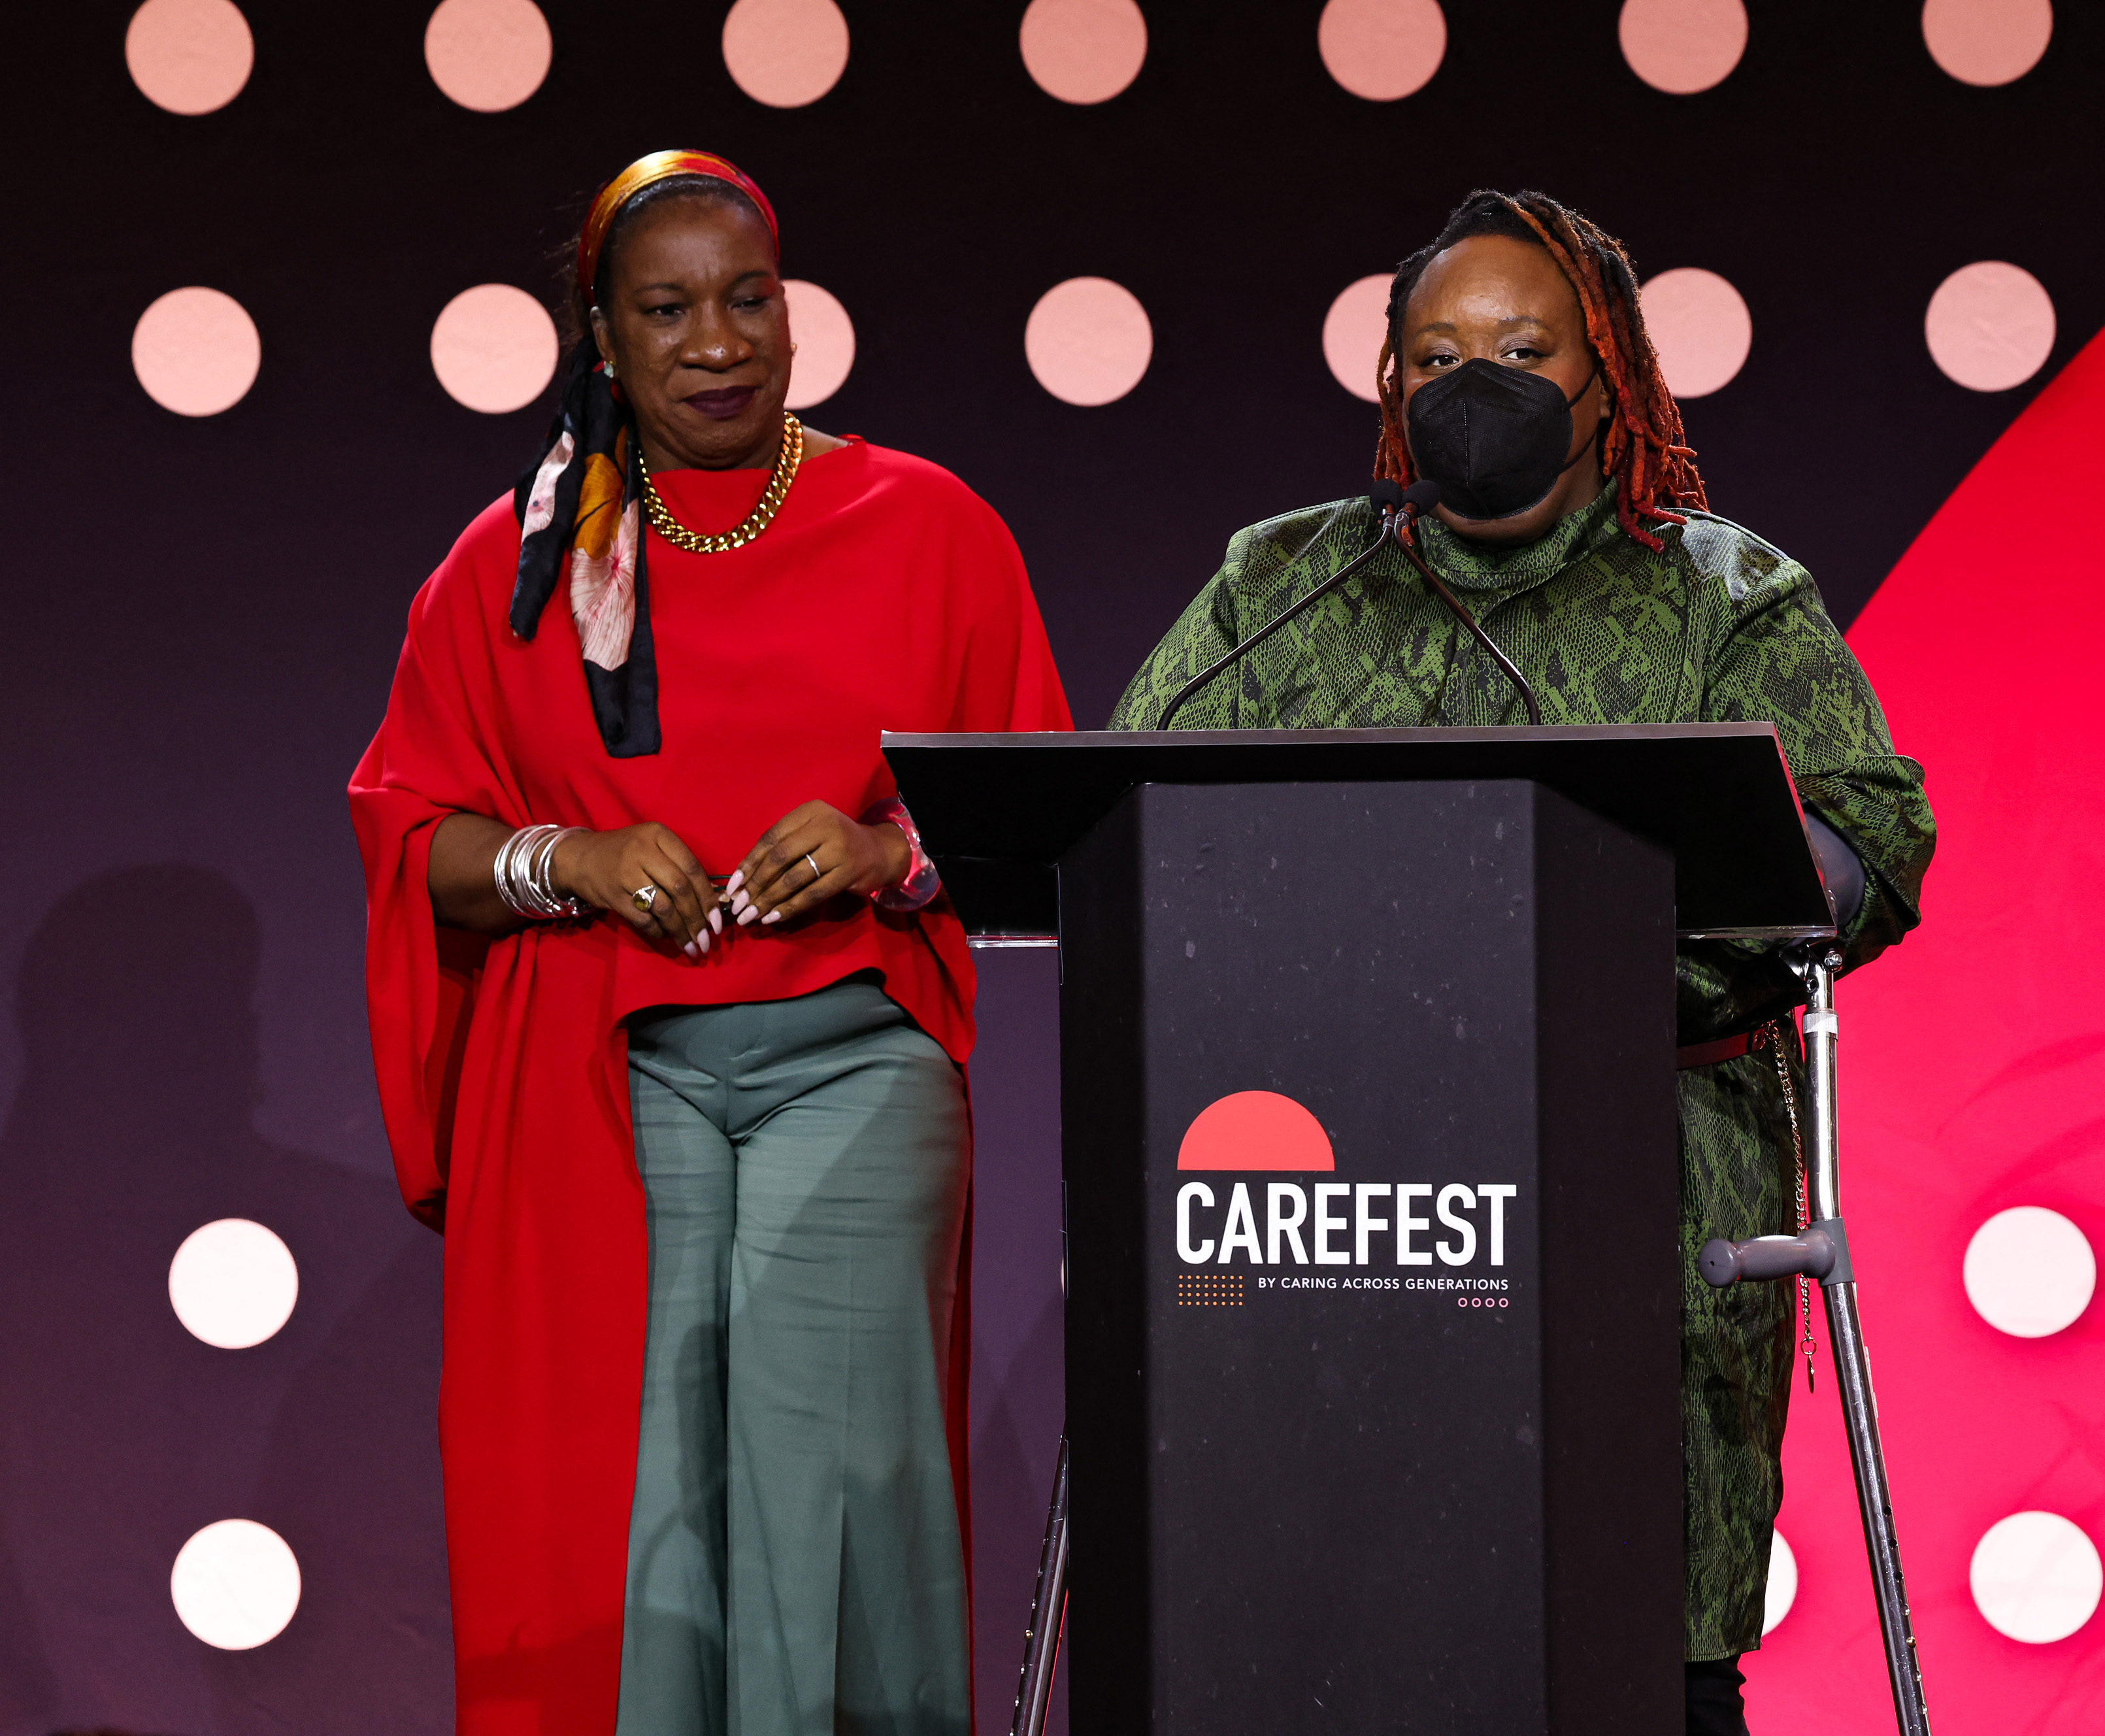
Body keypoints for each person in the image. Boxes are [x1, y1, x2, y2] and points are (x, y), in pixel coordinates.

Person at [1110, 188, 1936, 1736]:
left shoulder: (1722, 593)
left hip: (1646, 1179)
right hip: (1331, 1194)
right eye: (1434, 354)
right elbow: (1128, 796)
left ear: (1605, 372)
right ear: (1388, 386)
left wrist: (1748, 894)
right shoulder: (1281, 584)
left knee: (1637, 1651)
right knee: (1334, 1630)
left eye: (1519, 346)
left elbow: (1870, 836)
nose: (1471, 384)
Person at [350, 150, 1070, 1736]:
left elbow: (1041, 828)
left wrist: (892, 853)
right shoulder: (516, 563)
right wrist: (577, 860)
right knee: (641, 1501)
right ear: (602, 336)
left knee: (824, 1478)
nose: (718, 341)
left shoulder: (925, 524)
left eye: (749, 298)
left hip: (853, 1055)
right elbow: (422, 844)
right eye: (667, 309)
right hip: (609, 1073)